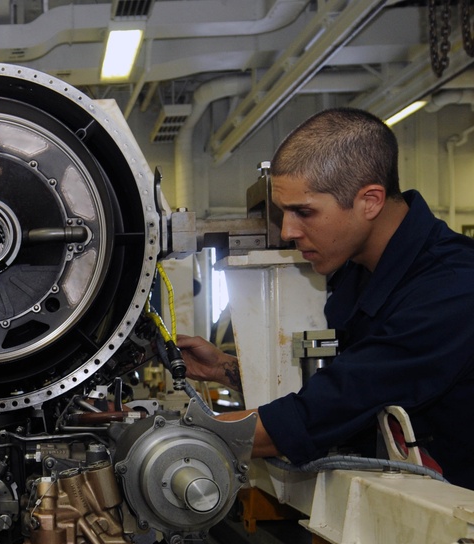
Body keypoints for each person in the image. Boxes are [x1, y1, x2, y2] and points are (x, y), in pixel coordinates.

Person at [177, 107, 474, 489]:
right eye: (284, 212)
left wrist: (176, 438)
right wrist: (225, 370)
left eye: (304, 212)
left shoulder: (452, 290)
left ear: (370, 200)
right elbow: (348, 386)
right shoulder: (357, 273)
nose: (287, 231)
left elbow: (329, 410)